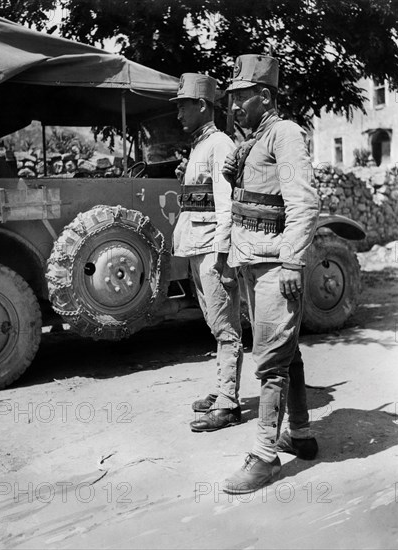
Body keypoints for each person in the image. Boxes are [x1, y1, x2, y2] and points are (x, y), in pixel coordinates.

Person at [221, 54, 319, 494]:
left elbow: (304, 203)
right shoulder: (252, 139)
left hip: (276, 263)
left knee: (271, 362)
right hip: (252, 259)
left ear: (265, 95)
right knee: (286, 350)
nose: (235, 105)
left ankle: (264, 456)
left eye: (242, 96)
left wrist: (293, 262)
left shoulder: (286, 134)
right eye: (232, 97)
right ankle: (299, 433)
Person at [170, 73, 243, 432]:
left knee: (227, 328)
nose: (179, 114)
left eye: (184, 106)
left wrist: (224, 255)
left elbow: (227, 205)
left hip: (213, 250)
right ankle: (223, 389)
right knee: (216, 326)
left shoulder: (221, 146)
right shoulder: (200, 147)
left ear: (202, 106)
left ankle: (229, 404)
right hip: (197, 248)